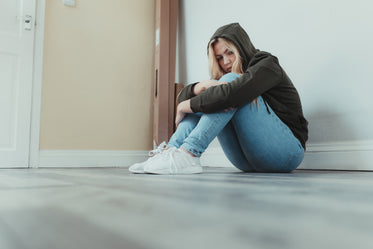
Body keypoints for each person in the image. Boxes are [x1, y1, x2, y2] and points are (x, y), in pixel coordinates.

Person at [129, 22, 308, 174]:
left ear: (242, 47)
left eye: (230, 53)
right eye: (219, 57)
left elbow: (230, 93)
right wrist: (198, 88)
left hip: (287, 153)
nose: (226, 62)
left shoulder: (267, 64)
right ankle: (171, 151)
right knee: (213, 93)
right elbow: (192, 97)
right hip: (246, 161)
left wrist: (186, 105)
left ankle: (189, 154)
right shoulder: (225, 77)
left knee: (227, 86)